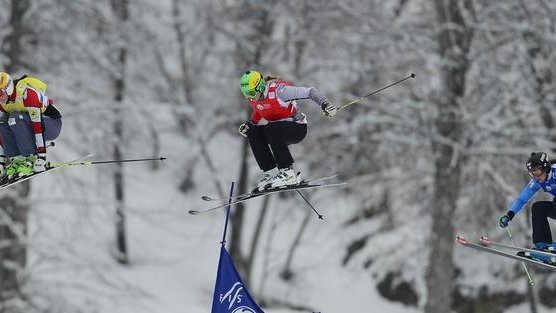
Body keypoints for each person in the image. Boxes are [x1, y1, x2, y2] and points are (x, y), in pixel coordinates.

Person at [238, 70, 337, 191]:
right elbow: (260, 110)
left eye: (252, 92)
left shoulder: (280, 92)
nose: (250, 97)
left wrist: (326, 104)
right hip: (276, 131)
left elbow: (310, 91)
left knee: (271, 128)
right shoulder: (254, 100)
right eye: (246, 94)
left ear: (260, 86)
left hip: (297, 128)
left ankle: (287, 173)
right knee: (253, 132)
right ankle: (271, 173)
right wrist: (250, 125)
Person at [0, 72, 62, 181]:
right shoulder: (3, 103)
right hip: (28, 124)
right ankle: (17, 160)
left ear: (8, 88)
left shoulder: (27, 94)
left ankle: (30, 158)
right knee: (3, 121)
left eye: (0, 94)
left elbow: (37, 125)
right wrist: (1, 161)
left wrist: (41, 156)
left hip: (51, 124)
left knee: (15, 118)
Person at [499, 152, 556, 262]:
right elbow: (522, 199)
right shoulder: (537, 181)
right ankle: (543, 247)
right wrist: (509, 215)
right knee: (538, 208)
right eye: (532, 174)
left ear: (546, 168)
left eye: (538, 172)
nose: (536, 177)